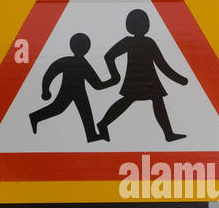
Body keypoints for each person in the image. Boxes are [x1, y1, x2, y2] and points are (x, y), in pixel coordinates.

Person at [96, 9, 188, 143]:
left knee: (156, 101)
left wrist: (179, 79)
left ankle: (168, 134)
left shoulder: (146, 42)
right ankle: (103, 123)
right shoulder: (135, 42)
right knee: (129, 101)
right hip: (138, 80)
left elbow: (161, 64)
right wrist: (115, 75)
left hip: (148, 80)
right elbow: (109, 56)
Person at [29, 33, 116, 143]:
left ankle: (91, 135)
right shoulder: (73, 62)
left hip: (79, 92)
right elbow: (51, 73)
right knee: (58, 108)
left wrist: (113, 81)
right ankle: (35, 117)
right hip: (68, 91)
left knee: (86, 112)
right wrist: (45, 90)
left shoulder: (78, 62)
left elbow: (96, 84)